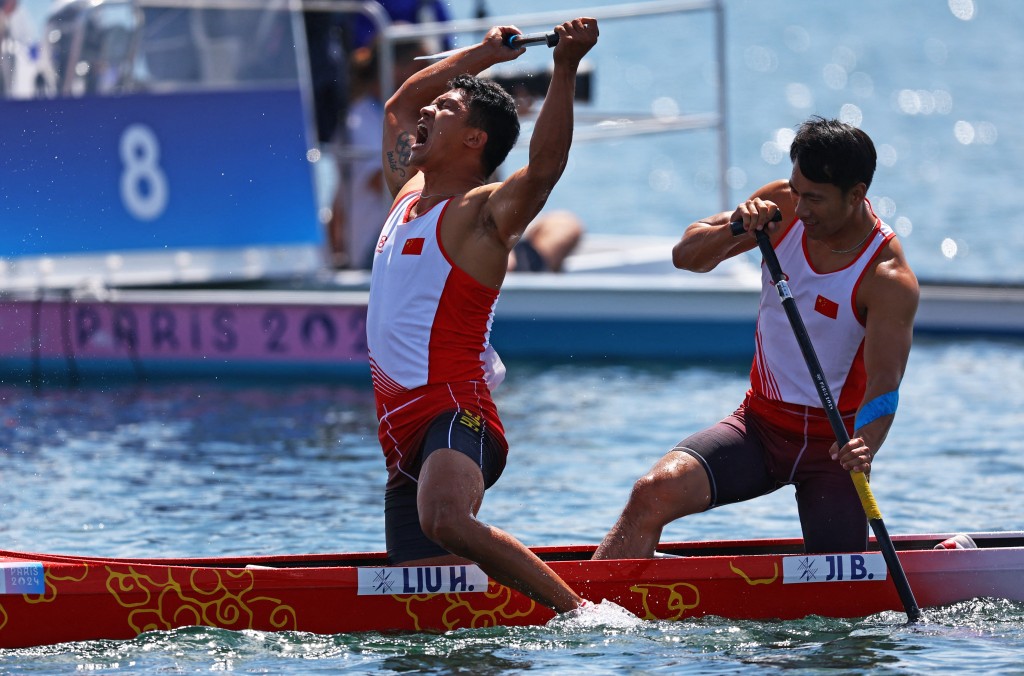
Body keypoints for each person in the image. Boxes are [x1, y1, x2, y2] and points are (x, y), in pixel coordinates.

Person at [594, 117, 920, 559]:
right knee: (650, 494)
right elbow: (685, 256)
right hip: (759, 429)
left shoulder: (887, 277)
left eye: (815, 199)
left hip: (833, 448)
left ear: (857, 195)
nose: (800, 210)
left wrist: (867, 443)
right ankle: (591, 615)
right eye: (797, 191)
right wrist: (736, 228)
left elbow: (885, 384)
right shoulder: (780, 210)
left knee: (842, 604)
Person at [366, 18, 598, 614]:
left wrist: (565, 67)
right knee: (434, 615)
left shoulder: (481, 217)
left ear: (474, 140)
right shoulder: (407, 191)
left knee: (445, 518)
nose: (426, 113)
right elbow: (401, 101)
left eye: (445, 110)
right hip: (399, 433)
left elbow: (544, 169)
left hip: (455, 413)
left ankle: (585, 616)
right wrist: (485, 54)